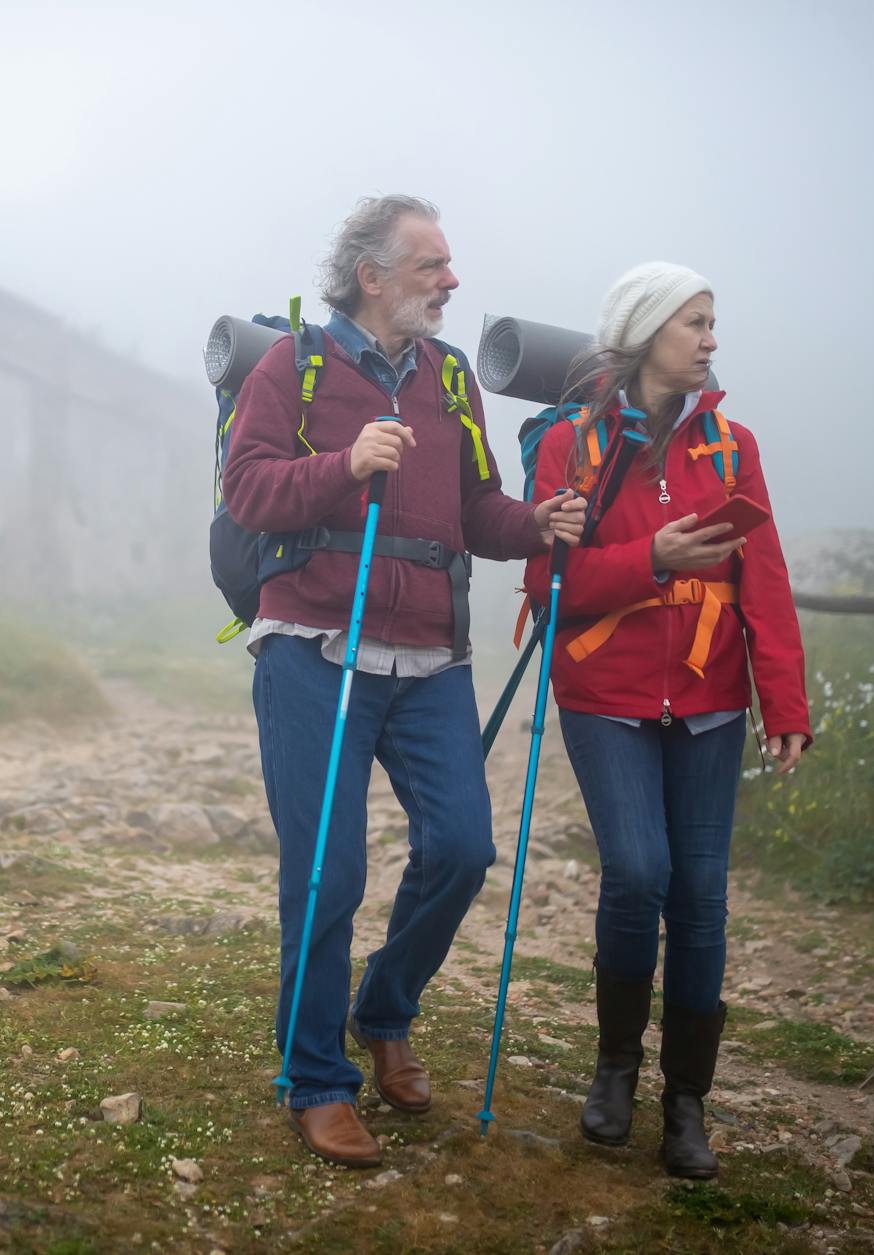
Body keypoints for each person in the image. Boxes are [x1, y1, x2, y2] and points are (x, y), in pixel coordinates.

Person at [222, 195, 584, 1168]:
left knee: (462, 848)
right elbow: (247, 489)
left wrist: (535, 523)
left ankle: (382, 1010)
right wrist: (345, 465)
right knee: (328, 872)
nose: (450, 280)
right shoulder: (292, 366)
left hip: (429, 658)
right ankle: (315, 1078)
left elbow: (474, 507)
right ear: (371, 275)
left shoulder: (450, 377)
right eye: (431, 264)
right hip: (313, 646)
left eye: (449, 264)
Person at [522, 262, 812, 1178]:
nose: (711, 339)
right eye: (695, 322)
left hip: (711, 699)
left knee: (701, 896)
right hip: (603, 692)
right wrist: (649, 556)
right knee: (639, 871)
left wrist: (785, 701)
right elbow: (547, 584)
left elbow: (764, 576)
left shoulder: (732, 447)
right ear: (646, 333)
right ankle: (615, 1068)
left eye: (712, 322)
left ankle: (686, 1103)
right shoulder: (570, 445)